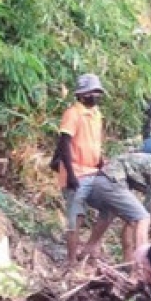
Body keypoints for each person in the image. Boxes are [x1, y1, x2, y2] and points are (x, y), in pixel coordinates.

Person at [50, 73, 106, 267]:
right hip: (76, 172)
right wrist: (70, 174)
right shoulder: (73, 114)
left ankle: (90, 250)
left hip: (93, 171)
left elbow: (94, 141)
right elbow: (64, 143)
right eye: (92, 92)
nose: (95, 96)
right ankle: (72, 261)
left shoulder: (97, 114)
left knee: (109, 208)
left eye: (97, 92)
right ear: (82, 95)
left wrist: (100, 161)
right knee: (76, 217)